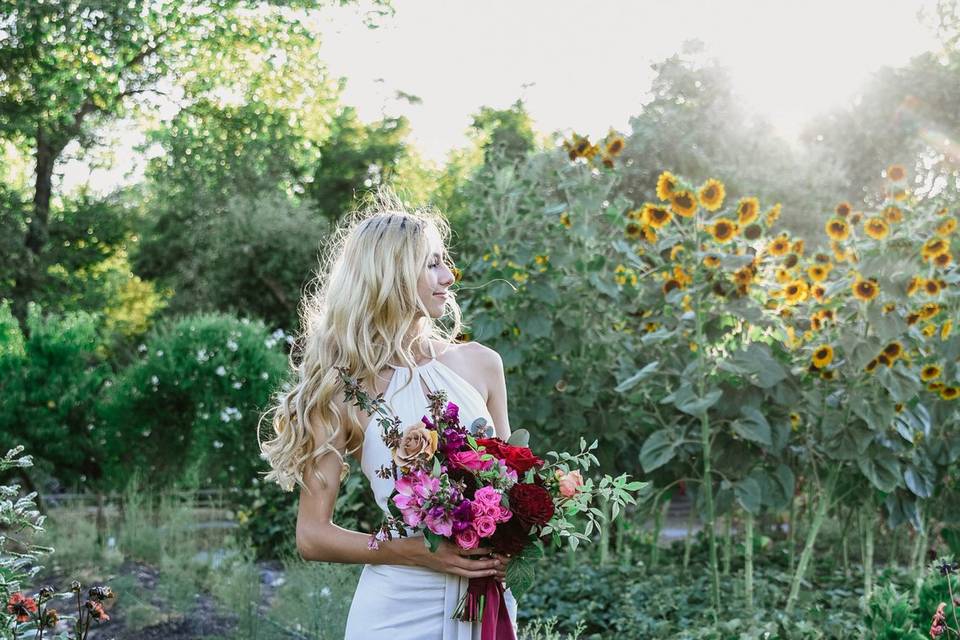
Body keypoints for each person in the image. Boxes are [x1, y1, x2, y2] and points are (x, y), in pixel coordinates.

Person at [258, 193, 518, 639]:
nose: (448, 276)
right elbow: (312, 536)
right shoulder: (342, 387)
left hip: (483, 603)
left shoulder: (482, 363)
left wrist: (512, 537)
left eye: (444, 261)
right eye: (431, 264)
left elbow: (512, 485)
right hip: (395, 611)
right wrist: (414, 552)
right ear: (391, 275)